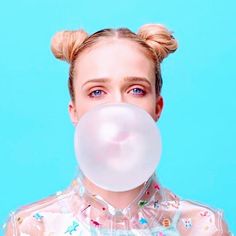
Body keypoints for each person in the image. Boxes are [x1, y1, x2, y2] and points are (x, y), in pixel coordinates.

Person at [4, 24, 230, 235]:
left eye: (136, 90)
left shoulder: (203, 227)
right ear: (74, 111)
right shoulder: (34, 227)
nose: (118, 106)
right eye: (97, 92)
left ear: (157, 107)